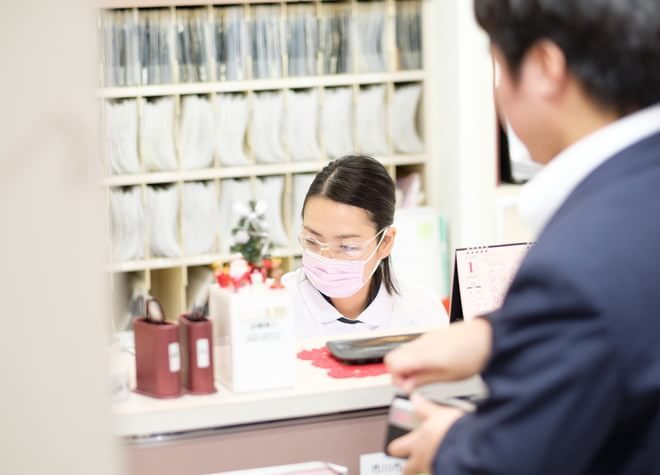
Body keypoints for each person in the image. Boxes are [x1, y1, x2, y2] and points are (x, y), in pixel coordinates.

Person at [385, 0, 660, 474]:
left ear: (545, 69)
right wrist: (498, 333)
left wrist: (449, 444)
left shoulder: (579, 260)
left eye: (497, 64)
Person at [282, 155, 449, 338]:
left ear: (385, 243)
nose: (326, 258)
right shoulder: (277, 308)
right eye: (312, 241)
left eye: (347, 247)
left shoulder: (421, 312)